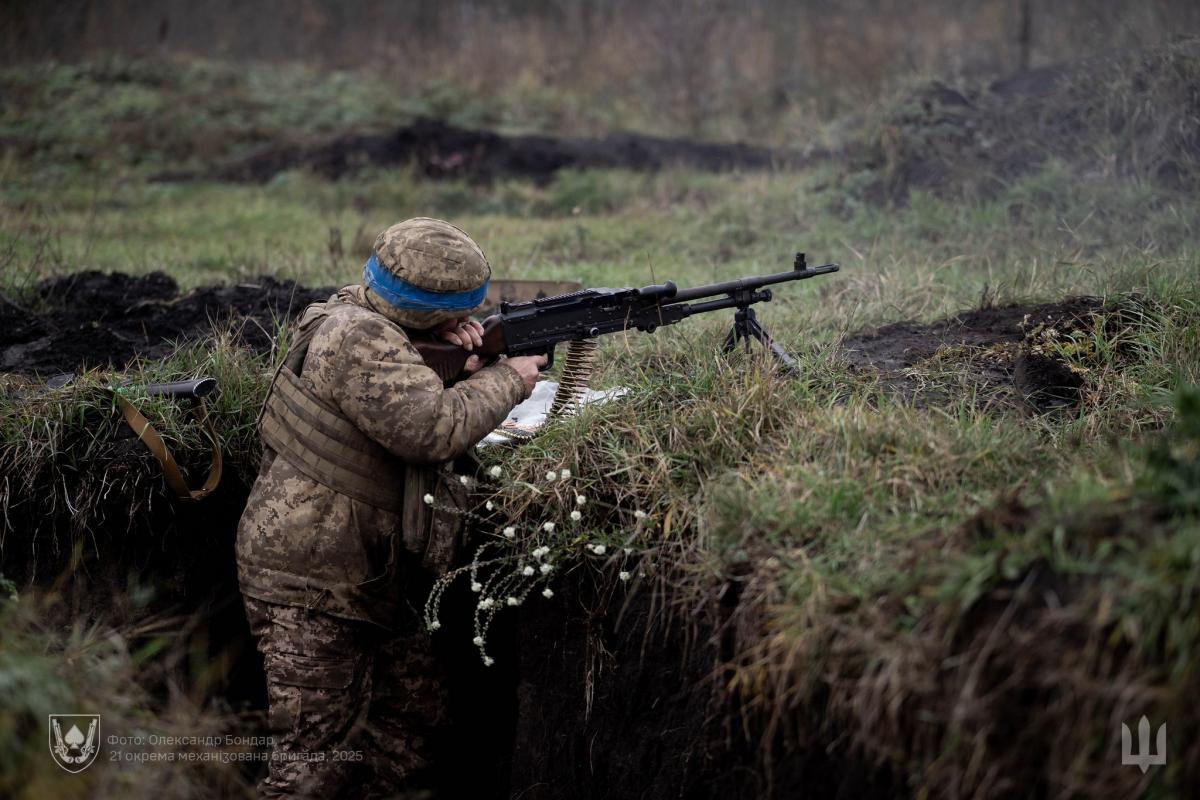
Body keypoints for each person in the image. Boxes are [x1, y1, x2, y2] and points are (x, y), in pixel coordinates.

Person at [236, 217, 545, 797]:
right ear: (423, 310)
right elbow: (431, 428)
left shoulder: (375, 323)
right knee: (309, 766)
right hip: (311, 583)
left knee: (407, 734)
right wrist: (509, 379)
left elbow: (413, 389)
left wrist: (463, 358)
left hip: (373, 576)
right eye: (453, 313)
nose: (463, 324)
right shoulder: (358, 336)